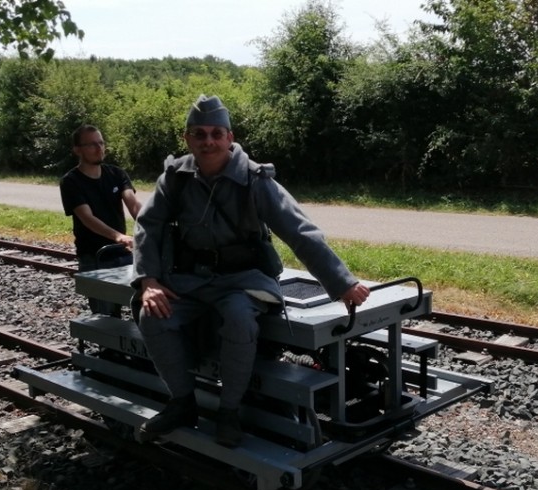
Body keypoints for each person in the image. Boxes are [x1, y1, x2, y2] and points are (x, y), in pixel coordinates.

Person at [132, 94, 370, 448]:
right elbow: (148, 227)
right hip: (189, 278)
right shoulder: (175, 178)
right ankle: (182, 402)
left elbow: (299, 231)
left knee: (240, 318)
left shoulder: (255, 180)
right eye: (199, 134)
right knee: (153, 317)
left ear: (230, 137)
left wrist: (343, 282)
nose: (208, 141)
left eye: (216, 133)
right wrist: (148, 281)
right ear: (187, 139)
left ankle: (229, 411)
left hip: (242, 280)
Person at [60, 124, 142, 317]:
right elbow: (87, 218)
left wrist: (152, 224)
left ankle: (129, 347)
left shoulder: (116, 174)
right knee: (106, 315)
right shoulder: (71, 181)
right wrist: (118, 236)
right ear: (77, 150)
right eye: (91, 144)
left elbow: (133, 204)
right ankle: (109, 348)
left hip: (123, 253)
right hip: (94, 256)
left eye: (101, 142)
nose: (99, 148)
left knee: (138, 306)